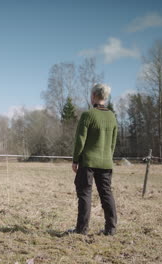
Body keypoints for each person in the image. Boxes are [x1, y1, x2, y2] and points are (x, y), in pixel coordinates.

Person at [69, 83, 118, 236]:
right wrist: (108, 157)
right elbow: (113, 143)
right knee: (106, 194)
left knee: (84, 194)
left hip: (88, 162)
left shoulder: (88, 115)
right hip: (106, 162)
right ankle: (111, 229)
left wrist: (75, 159)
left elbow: (80, 140)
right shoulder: (112, 117)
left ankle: (81, 229)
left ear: (95, 96)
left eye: (91, 95)